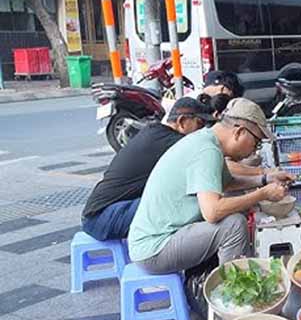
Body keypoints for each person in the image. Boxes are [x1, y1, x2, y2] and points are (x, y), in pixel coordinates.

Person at [128, 98, 295, 304]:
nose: (255, 150)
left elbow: (227, 183)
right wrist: (263, 194)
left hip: (156, 239)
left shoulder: (206, 140)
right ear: (239, 132)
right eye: (256, 142)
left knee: (235, 209)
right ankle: (236, 300)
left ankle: (234, 287)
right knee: (233, 225)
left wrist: (265, 179)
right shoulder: (207, 151)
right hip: (154, 248)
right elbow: (212, 211)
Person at [81, 98, 216, 241]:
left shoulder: (156, 133)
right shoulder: (173, 142)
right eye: (200, 125)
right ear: (182, 122)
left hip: (108, 212)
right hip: (101, 218)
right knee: (182, 204)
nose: (201, 132)